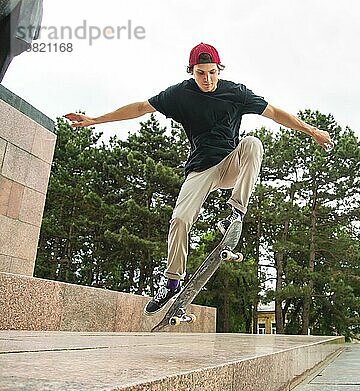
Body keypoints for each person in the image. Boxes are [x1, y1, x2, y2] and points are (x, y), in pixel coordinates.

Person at [65, 42, 334, 314]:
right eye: (200, 73)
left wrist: (312, 131)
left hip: (231, 165)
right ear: (191, 71)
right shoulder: (179, 94)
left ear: (219, 69)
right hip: (200, 169)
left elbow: (275, 113)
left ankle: (235, 212)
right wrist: (95, 120)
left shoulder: (236, 92)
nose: (207, 79)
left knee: (253, 143)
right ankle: (172, 281)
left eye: (212, 73)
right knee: (180, 219)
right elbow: (139, 108)